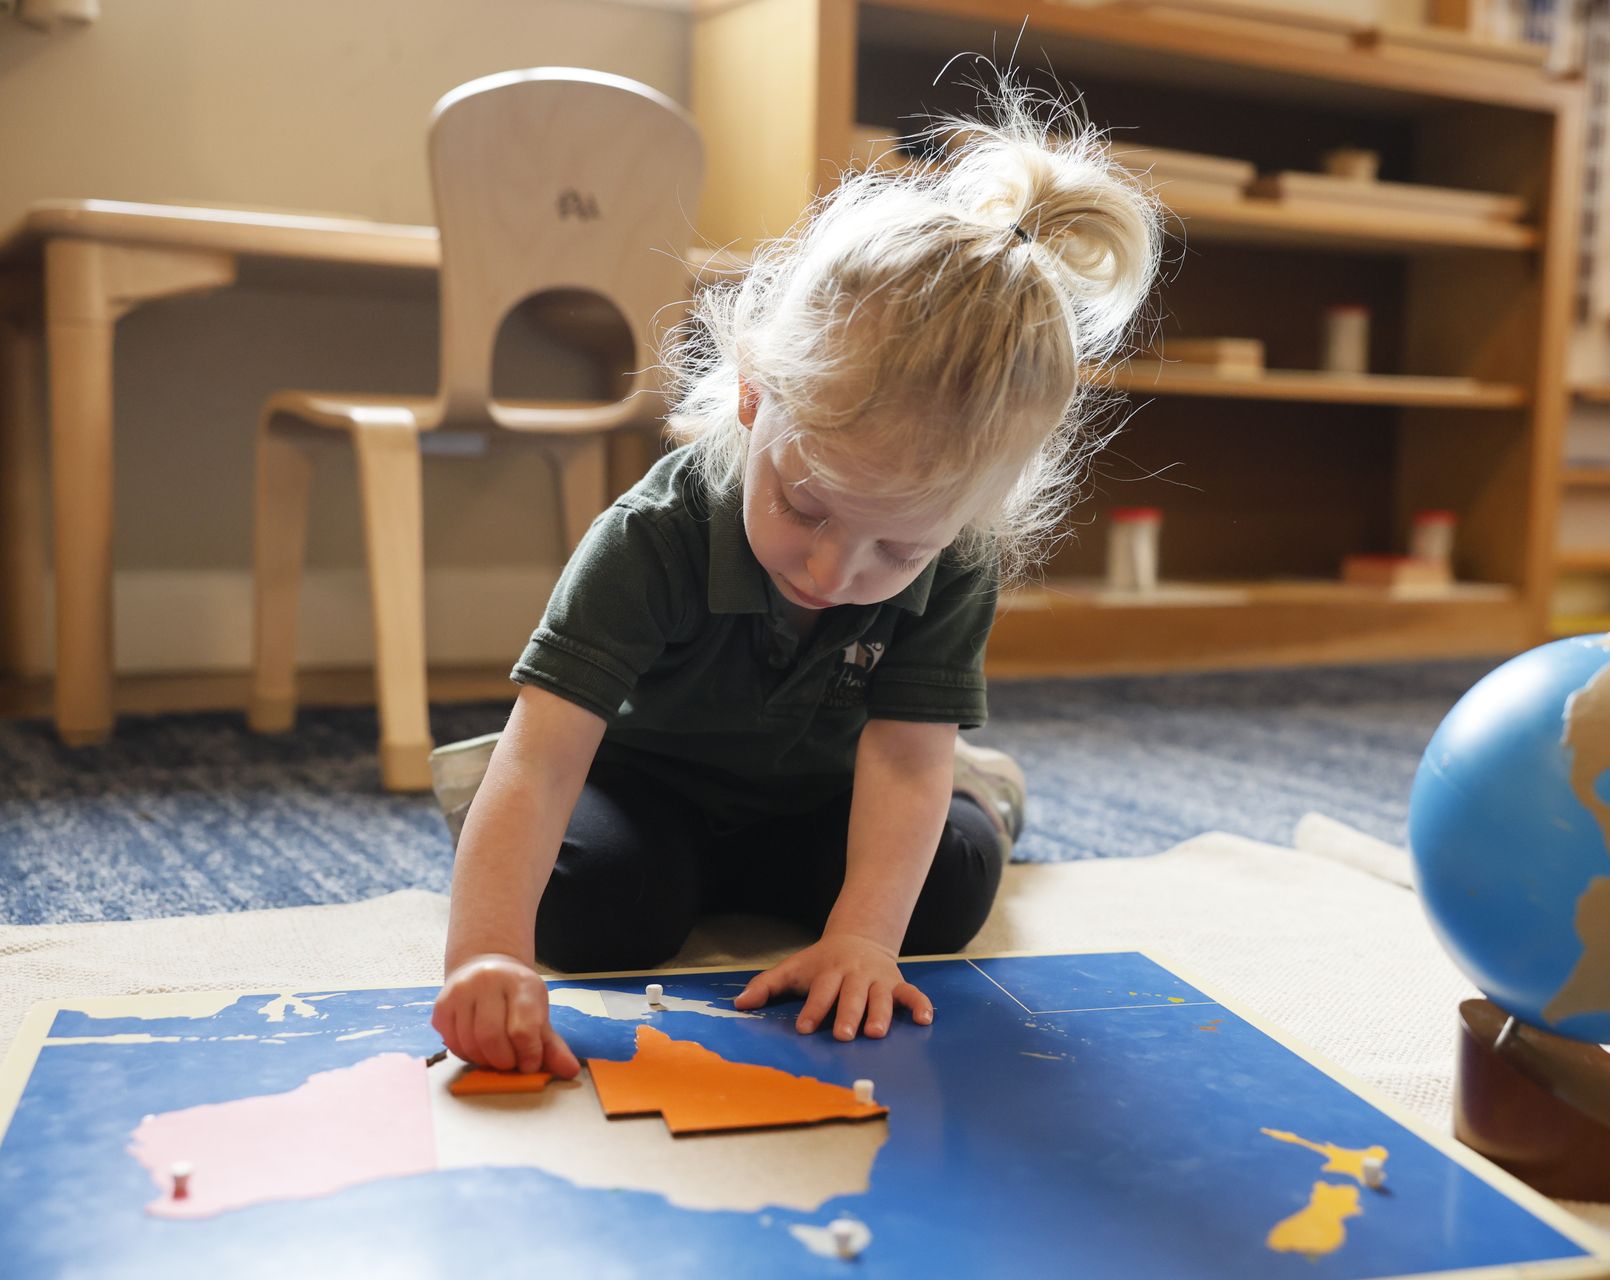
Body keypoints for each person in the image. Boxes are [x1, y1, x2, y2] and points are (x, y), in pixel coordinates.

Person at [429, 87, 1161, 1078]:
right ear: (751, 394)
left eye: (895, 551)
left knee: (939, 891)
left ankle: (977, 786)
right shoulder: (653, 534)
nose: (833, 570)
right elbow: (547, 759)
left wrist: (863, 937)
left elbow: (902, 764)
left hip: (832, 787)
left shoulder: (955, 558)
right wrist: (485, 952)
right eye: (807, 508)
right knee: (601, 909)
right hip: (650, 783)